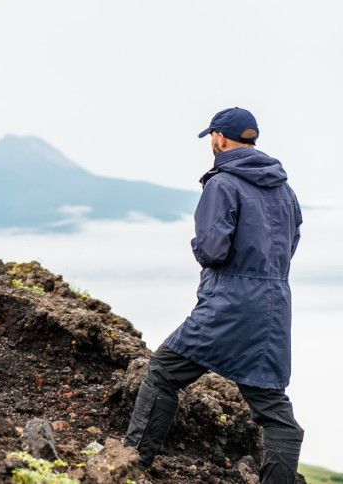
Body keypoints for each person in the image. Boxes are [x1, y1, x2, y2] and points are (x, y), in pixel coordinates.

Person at [124, 107, 304, 483]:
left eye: (211, 137)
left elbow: (212, 250)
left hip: (228, 304)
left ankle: (129, 465)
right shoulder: (284, 189)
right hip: (274, 307)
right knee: (272, 406)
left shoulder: (222, 184)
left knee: (162, 373)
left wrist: (199, 242)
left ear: (220, 138)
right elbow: (291, 243)